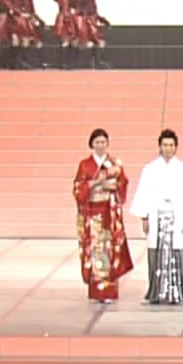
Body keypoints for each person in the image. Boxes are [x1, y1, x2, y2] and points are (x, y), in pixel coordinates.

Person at [129, 129, 183, 305]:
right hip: (157, 218)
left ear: (176, 147)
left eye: (171, 145)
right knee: (156, 253)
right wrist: (144, 217)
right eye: (165, 145)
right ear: (160, 146)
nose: (168, 148)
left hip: (178, 218)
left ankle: (177, 292)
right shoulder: (150, 169)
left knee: (178, 252)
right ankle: (155, 293)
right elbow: (143, 194)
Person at [73, 128, 133, 304]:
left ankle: (110, 292)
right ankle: (96, 292)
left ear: (107, 144)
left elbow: (123, 183)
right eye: (97, 142)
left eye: (103, 142)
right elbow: (78, 188)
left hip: (109, 212)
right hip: (92, 213)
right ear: (91, 144)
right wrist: (96, 183)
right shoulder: (85, 165)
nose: (100, 145)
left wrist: (113, 187)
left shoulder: (115, 163)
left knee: (110, 249)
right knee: (95, 250)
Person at [50, 0, 79, 68]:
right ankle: (63, 63)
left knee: (71, 40)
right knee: (65, 40)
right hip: (64, 18)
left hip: (68, 17)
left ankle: (68, 62)